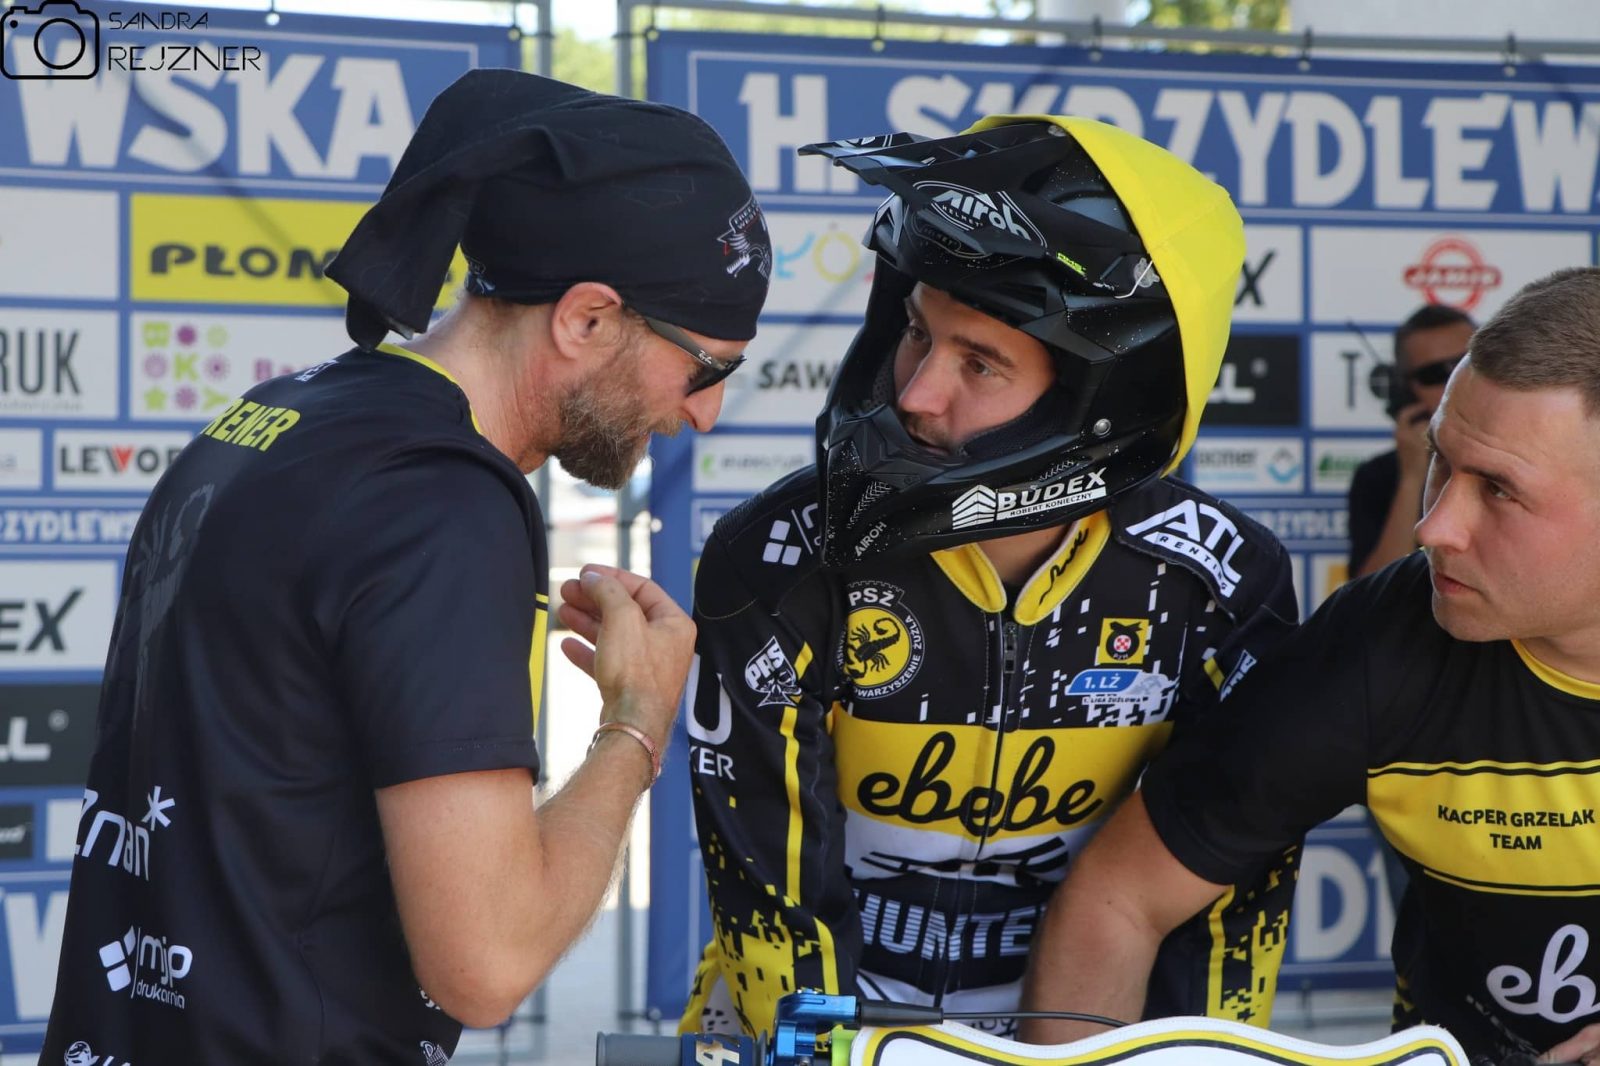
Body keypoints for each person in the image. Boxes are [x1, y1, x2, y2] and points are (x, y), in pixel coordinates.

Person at [42, 69, 770, 1064]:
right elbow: (486, 959)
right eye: (707, 367)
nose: (706, 412)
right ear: (587, 319)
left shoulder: (279, 416)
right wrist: (636, 723)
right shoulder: (440, 501)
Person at [679, 115, 1299, 1042]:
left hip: (1072, 1043)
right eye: (916, 333)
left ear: (1103, 398)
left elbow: (1223, 926)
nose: (917, 394)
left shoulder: (1217, 584)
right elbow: (779, 921)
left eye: (981, 362)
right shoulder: (780, 556)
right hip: (809, 1039)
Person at [1020, 267, 1600, 1066]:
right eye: (1440, 461)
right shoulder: (1388, 637)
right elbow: (1116, 900)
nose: (1434, 528)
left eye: (1498, 490)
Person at [1348, 304, 1476, 578]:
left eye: (1466, 363)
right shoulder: (1376, 477)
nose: (1454, 381)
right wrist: (1411, 478)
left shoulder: (1524, 458)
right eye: (1434, 374)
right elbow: (1371, 593)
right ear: (1406, 391)